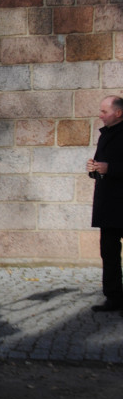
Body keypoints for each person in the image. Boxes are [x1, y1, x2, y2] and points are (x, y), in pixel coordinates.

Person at [87, 95, 123, 314]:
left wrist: (110, 168)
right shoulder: (105, 135)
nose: (100, 115)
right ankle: (114, 297)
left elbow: (112, 166)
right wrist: (94, 168)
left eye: (104, 112)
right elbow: (102, 165)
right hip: (109, 204)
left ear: (118, 112)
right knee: (108, 253)